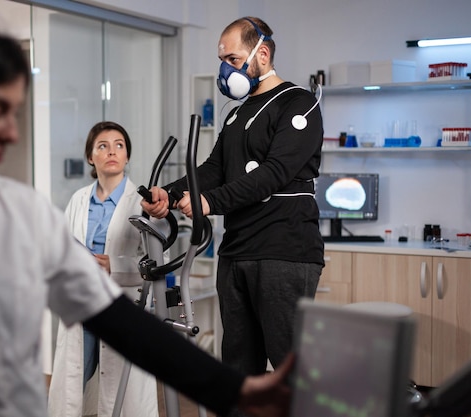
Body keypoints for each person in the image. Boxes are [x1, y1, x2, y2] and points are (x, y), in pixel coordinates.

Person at [0, 16, 295, 417]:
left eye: (14, 112)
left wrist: (233, 390)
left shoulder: (20, 211)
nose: (10, 131)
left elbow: (114, 318)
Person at [142, 16, 324, 416]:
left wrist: (208, 203)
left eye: (233, 58)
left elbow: (274, 174)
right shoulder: (235, 115)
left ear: (262, 53)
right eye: (222, 59)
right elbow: (210, 170)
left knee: (289, 366)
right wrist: (169, 195)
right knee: (239, 367)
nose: (226, 69)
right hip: (238, 251)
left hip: (284, 251)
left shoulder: (299, 103)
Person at [48, 121, 158, 417]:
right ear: (90, 157)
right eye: (103, 146)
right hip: (83, 302)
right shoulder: (78, 200)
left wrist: (115, 265)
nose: (112, 151)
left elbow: (156, 264)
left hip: (121, 302)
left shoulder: (142, 203)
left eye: (119, 145)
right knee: (76, 377)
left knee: (123, 391)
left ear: (127, 156)